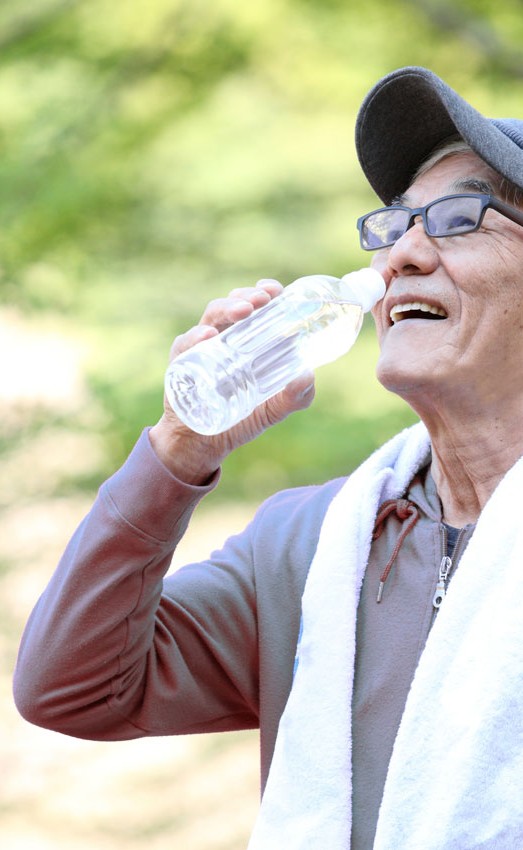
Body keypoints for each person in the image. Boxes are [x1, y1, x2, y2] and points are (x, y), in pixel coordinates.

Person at [13, 66, 523, 850]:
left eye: (456, 218)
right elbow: (73, 690)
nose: (401, 257)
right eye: (393, 225)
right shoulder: (313, 546)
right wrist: (179, 449)